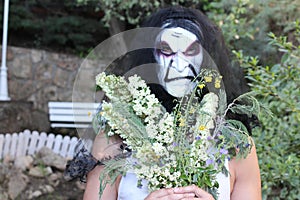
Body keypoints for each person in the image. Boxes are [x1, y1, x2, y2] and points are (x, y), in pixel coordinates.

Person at [66, 6, 261, 200]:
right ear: (149, 57)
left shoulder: (236, 146)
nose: (178, 64)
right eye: (166, 50)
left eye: (191, 50)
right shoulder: (115, 140)